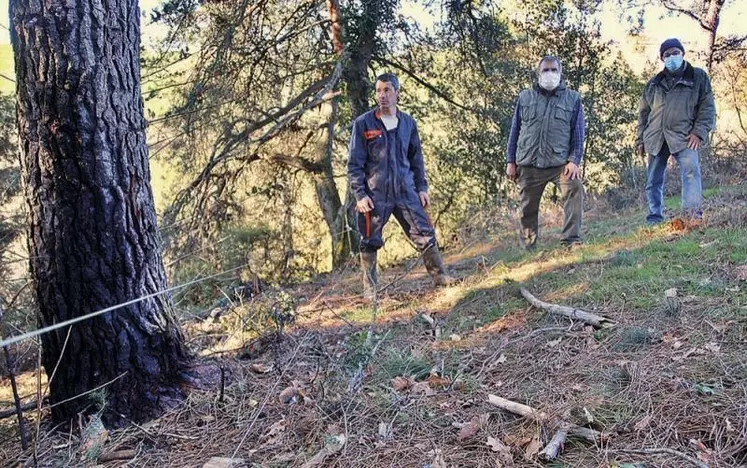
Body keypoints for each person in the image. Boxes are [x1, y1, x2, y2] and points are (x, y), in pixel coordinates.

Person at [347, 73, 456, 299]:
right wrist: (360, 195)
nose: (382, 95)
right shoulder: (364, 124)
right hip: (375, 194)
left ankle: (441, 278)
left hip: (406, 192)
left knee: (425, 233)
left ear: (397, 93)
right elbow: (354, 164)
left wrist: (422, 188)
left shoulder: (408, 123)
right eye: (378, 90)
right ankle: (370, 289)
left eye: (387, 90)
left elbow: (416, 159)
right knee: (369, 239)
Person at [506, 56, 585, 249]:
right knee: (527, 209)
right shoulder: (525, 97)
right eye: (545, 70)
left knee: (575, 189)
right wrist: (511, 161)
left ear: (560, 73)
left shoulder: (573, 98)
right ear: (538, 73)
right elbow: (515, 130)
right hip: (529, 164)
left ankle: (570, 240)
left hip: (560, 165)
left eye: (554, 70)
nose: (550, 74)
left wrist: (574, 160)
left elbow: (578, 132)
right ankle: (528, 248)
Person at [637, 38, 716, 225]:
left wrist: (699, 132)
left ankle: (692, 216)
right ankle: (654, 218)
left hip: (685, 136)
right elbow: (643, 114)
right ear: (662, 58)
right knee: (653, 180)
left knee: (691, 173)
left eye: (675, 53)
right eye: (667, 55)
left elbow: (707, 107)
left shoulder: (697, 77)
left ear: (682, 54)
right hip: (656, 137)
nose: (671, 57)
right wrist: (640, 140)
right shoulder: (653, 84)